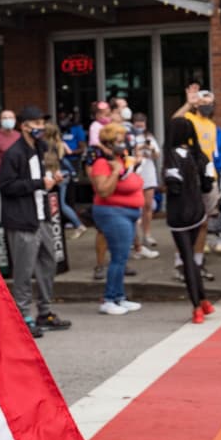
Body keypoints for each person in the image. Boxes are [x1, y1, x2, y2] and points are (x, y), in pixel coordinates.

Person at [0, 106, 70, 338]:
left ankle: (44, 312)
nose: (41, 127)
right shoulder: (14, 153)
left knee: (48, 264)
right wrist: (39, 184)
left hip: (42, 217)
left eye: (42, 123)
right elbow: (7, 186)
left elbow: (41, 178)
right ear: (24, 126)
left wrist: (53, 180)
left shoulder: (40, 148)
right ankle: (23, 316)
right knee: (24, 270)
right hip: (22, 219)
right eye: (36, 123)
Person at [85, 122, 145, 316]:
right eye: (119, 141)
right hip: (112, 212)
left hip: (127, 213)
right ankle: (109, 299)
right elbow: (103, 190)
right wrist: (114, 172)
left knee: (122, 257)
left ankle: (119, 296)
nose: (123, 144)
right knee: (118, 258)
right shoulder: (103, 164)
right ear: (109, 143)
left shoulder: (122, 161)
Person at [163, 117, 217, 323]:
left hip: (179, 213)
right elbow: (208, 184)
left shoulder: (171, 156)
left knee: (187, 258)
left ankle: (197, 306)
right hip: (197, 210)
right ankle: (204, 300)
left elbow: (173, 185)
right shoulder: (200, 155)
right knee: (191, 256)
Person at [174, 86, 221, 280]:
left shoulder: (212, 126)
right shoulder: (190, 119)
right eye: (203, 103)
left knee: (204, 222)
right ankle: (181, 263)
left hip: (208, 177)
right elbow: (175, 122)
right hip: (190, 177)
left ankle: (198, 262)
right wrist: (188, 104)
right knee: (187, 222)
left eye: (210, 104)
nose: (207, 106)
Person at [42, 122, 85, 234]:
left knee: (49, 203)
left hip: (52, 175)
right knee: (61, 204)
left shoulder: (43, 145)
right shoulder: (60, 143)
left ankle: (75, 225)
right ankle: (78, 224)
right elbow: (68, 154)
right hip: (63, 174)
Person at [130, 113, 161, 254]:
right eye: (137, 124)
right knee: (134, 206)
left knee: (147, 205)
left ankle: (147, 234)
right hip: (135, 173)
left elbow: (157, 155)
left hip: (148, 173)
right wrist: (138, 149)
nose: (139, 127)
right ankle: (134, 237)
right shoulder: (129, 137)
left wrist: (151, 149)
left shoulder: (149, 137)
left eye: (142, 124)